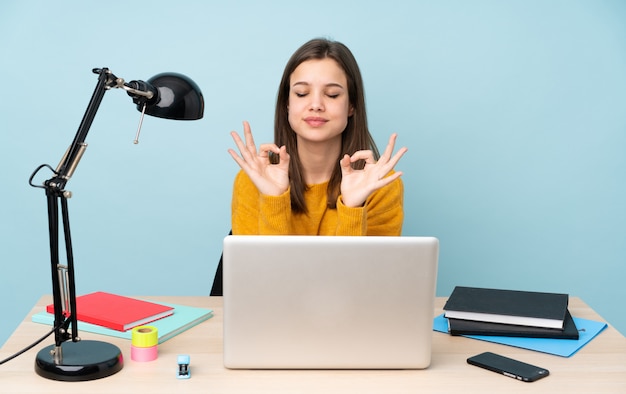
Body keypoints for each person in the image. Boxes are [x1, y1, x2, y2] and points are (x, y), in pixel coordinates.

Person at [228, 38, 407, 236]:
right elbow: (259, 267)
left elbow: (365, 268)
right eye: (302, 93)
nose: (316, 105)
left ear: (351, 105)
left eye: (332, 95)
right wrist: (273, 199)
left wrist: (353, 208)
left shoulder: (380, 184)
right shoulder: (253, 180)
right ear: (287, 103)